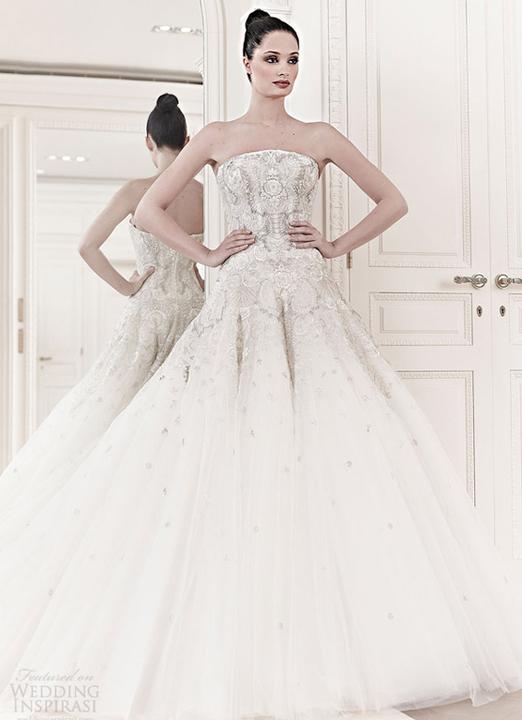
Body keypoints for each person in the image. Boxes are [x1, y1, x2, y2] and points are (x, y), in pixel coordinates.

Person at [1, 10, 522, 720]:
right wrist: (208, 254)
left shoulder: (319, 137)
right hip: (240, 303)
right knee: (228, 445)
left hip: (309, 299)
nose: (284, 70)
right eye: (273, 58)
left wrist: (334, 245)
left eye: (293, 59)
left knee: (330, 448)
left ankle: (341, 642)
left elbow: (394, 200)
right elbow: (151, 210)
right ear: (246, 62)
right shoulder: (216, 137)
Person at [0, 93, 205, 534]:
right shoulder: (205, 197)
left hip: (150, 313)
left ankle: (129, 510)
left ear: (149, 141)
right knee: (184, 413)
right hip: (195, 311)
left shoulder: (136, 192)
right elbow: (200, 262)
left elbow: (87, 246)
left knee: (122, 410)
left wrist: (128, 288)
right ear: (188, 142)